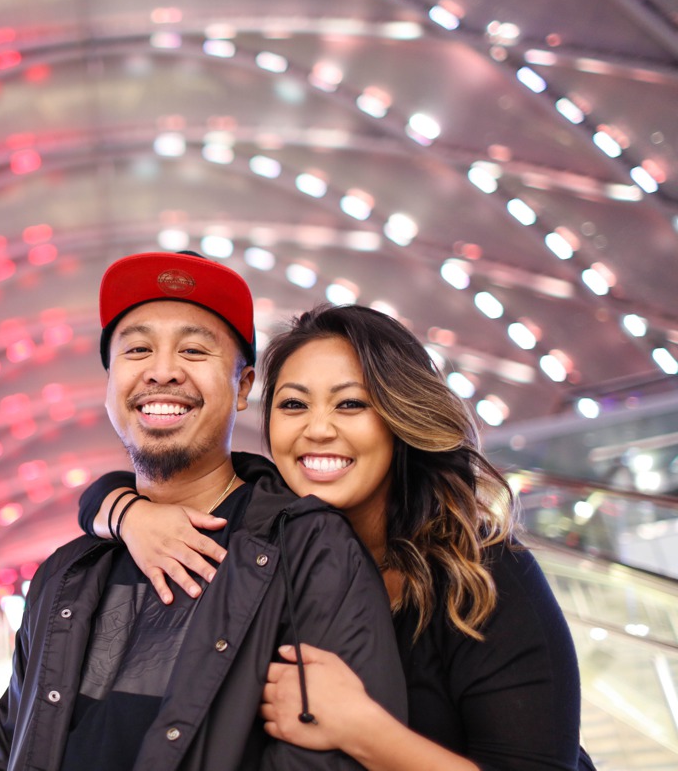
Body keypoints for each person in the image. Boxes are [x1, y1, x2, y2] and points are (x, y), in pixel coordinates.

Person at [79, 303, 590, 770]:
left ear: (398, 417)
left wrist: (360, 726)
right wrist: (124, 511)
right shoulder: (267, 540)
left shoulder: (480, 574)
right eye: (294, 406)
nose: (317, 430)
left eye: (350, 405)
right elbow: (157, 482)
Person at [0, 253, 406, 771]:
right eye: (137, 348)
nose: (162, 371)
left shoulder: (307, 549)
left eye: (195, 349)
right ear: (110, 382)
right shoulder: (64, 574)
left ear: (242, 387)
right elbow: (4, 749)